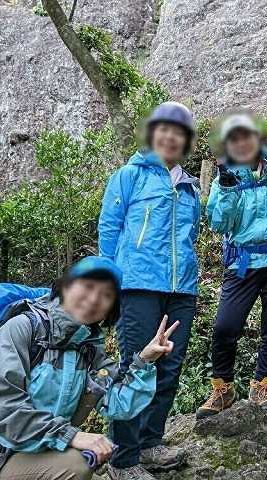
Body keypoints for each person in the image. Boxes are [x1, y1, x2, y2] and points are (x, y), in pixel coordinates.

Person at [0, 256, 178, 480]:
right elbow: (1, 408)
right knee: (77, 464)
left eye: (107, 295)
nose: (94, 299)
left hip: (33, 454)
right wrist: (70, 436)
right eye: (88, 286)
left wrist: (145, 360)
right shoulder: (23, 329)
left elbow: (118, 403)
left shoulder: (87, 348)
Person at [98, 102, 201, 480]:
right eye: (164, 130)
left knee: (169, 368)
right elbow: (109, 230)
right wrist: (110, 283)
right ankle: (123, 459)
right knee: (135, 367)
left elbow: (191, 236)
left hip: (181, 290)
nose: (171, 137)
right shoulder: (129, 176)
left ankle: (150, 442)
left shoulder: (191, 188)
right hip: (137, 285)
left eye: (179, 132)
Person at [195, 112, 267, 418]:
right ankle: (223, 387)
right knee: (225, 326)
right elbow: (219, 224)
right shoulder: (226, 179)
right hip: (243, 263)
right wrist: (227, 188)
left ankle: (262, 384)